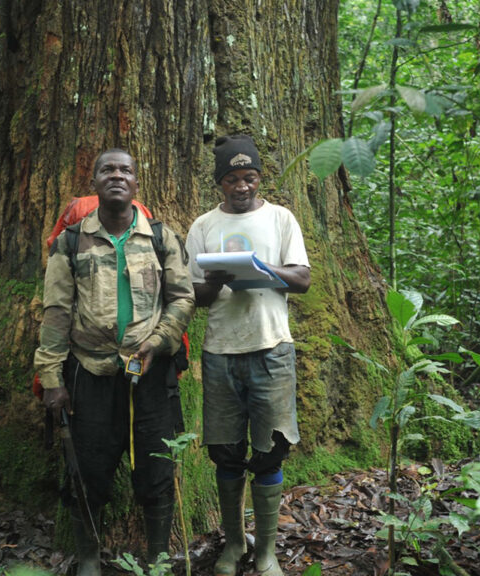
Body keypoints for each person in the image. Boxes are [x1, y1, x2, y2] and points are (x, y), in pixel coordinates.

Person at [34, 149, 195, 576]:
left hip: (152, 375)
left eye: (125, 170)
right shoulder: (70, 242)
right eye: (108, 169)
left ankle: (158, 560)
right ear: (95, 182)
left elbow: (182, 298)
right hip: (90, 374)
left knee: (157, 470)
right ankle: (89, 561)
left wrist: (159, 341)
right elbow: (56, 313)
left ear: (136, 184)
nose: (117, 176)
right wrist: (51, 377)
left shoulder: (161, 237)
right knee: (87, 472)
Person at [186, 135, 311, 576]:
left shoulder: (280, 218)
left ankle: (267, 552)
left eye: (250, 177)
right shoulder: (203, 225)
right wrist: (217, 279)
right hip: (220, 351)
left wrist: (261, 269)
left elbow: (302, 278)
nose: (242, 186)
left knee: (271, 450)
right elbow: (196, 295)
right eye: (233, 179)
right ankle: (235, 543)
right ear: (220, 182)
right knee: (225, 450)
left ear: (260, 179)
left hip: (272, 348)